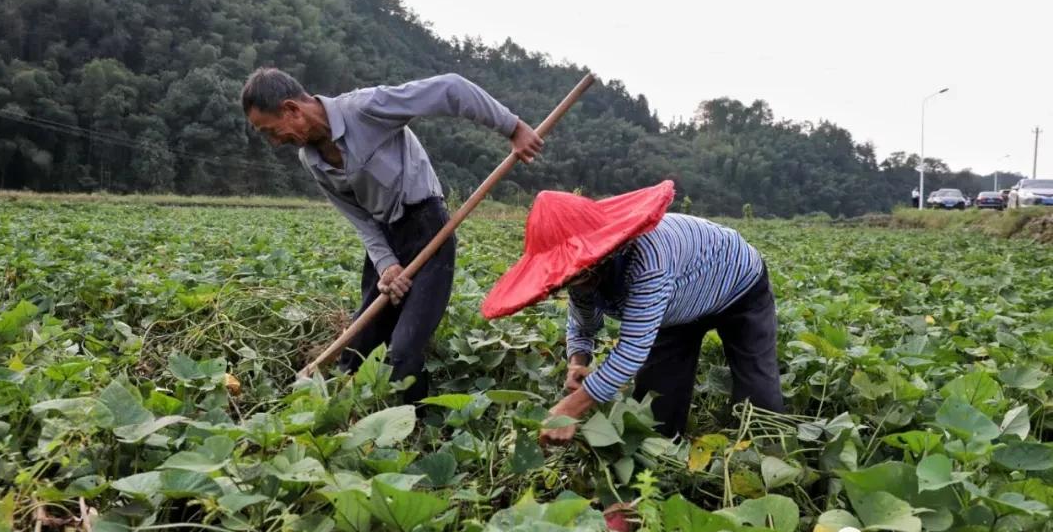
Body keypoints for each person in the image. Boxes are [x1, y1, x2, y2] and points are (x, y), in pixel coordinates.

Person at [242, 69, 543, 402]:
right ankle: (346, 416)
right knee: (356, 350)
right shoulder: (310, 159)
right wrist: (386, 265)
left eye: (272, 130)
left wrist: (512, 127)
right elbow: (358, 217)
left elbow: (451, 88)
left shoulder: (365, 108)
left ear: (292, 109)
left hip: (428, 231)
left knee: (403, 352)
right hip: (386, 242)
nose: (275, 141)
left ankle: (415, 431)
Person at [481, 181, 784, 444]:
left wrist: (571, 407)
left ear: (600, 257)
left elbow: (631, 351)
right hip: (677, 306)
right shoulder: (578, 278)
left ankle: (768, 456)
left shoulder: (647, 260)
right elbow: (583, 326)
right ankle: (665, 468)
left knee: (757, 393)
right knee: (656, 409)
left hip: (736, 283)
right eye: (564, 280)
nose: (569, 285)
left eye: (576, 275)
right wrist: (578, 362)